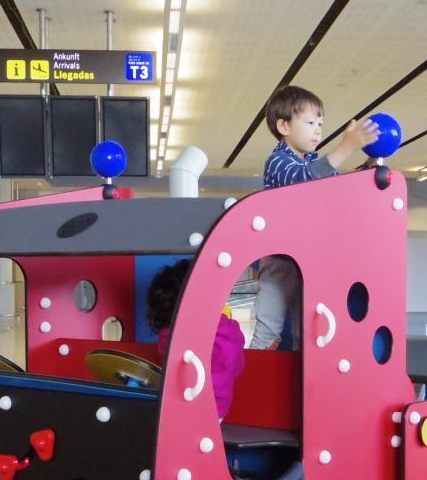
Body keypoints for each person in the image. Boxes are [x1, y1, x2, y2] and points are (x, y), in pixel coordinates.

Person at [252, 85, 380, 349]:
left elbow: (336, 185)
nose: (318, 130)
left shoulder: (312, 163)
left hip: (308, 260)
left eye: (320, 123)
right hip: (280, 261)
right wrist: (346, 146)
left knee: (308, 333)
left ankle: (302, 375)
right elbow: (304, 179)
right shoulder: (277, 162)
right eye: (310, 123)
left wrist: (368, 167)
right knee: (268, 331)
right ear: (284, 126)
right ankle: (257, 371)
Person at [147, 260, 245, 420]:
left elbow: (169, 369)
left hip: (184, 405)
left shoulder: (172, 335)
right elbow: (238, 366)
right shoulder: (229, 329)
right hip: (218, 410)